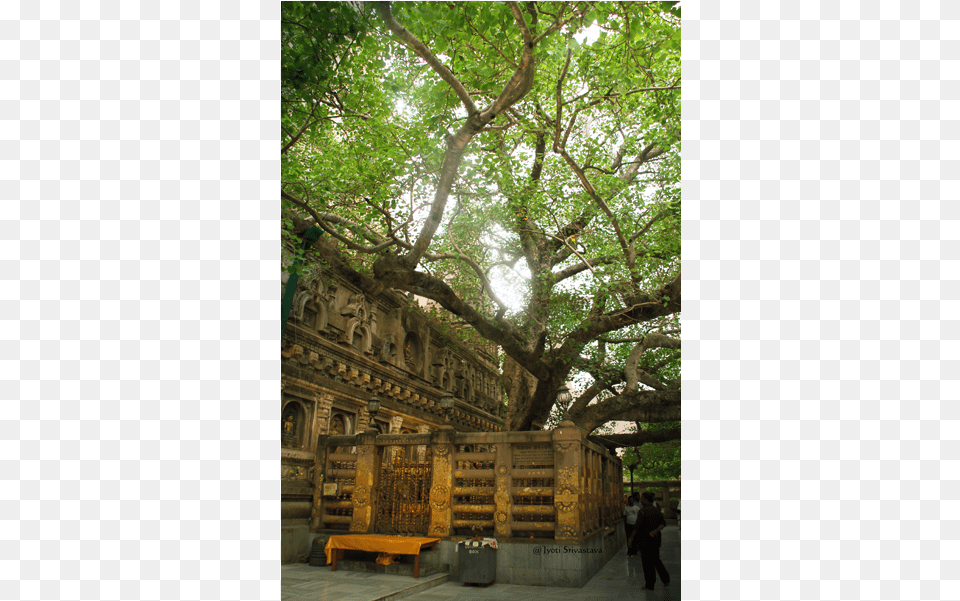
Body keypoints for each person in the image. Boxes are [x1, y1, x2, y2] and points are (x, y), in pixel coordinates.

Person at [637, 491, 670, 591]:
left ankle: (650, 585)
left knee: (647, 563)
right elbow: (663, 524)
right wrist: (655, 531)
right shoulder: (656, 510)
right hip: (655, 540)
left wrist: (631, 539)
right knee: (656, 560)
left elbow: (637, 527)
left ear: (645, 500)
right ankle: (666, 579)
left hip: (645, 540)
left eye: (642, 498)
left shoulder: (642, 511)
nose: (640, 499)